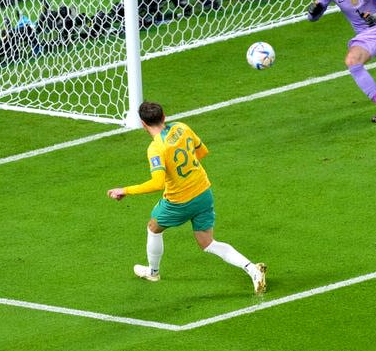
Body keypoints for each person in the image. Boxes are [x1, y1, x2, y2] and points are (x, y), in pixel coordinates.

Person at [107, 101, 267, 294]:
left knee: (153, 228)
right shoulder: (182, 128)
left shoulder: (156, 148)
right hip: (203, 192)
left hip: (178, 202)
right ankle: (252, 269)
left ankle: (153, 272)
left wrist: (125, 190)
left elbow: (157, 183)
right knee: (207, 242)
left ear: (143, 124)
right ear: (164, 117)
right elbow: (202, 152)